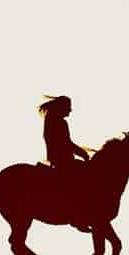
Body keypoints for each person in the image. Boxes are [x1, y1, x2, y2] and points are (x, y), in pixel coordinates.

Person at [38, 96, 95, 232]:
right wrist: (82, 153)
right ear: (61, 108)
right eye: (68, 107)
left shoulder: (51, 120)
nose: (70, 110)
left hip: (60, 158)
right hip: (62, 160)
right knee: (82, 182)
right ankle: (78, 217)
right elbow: (65, 142)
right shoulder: (58, 122)